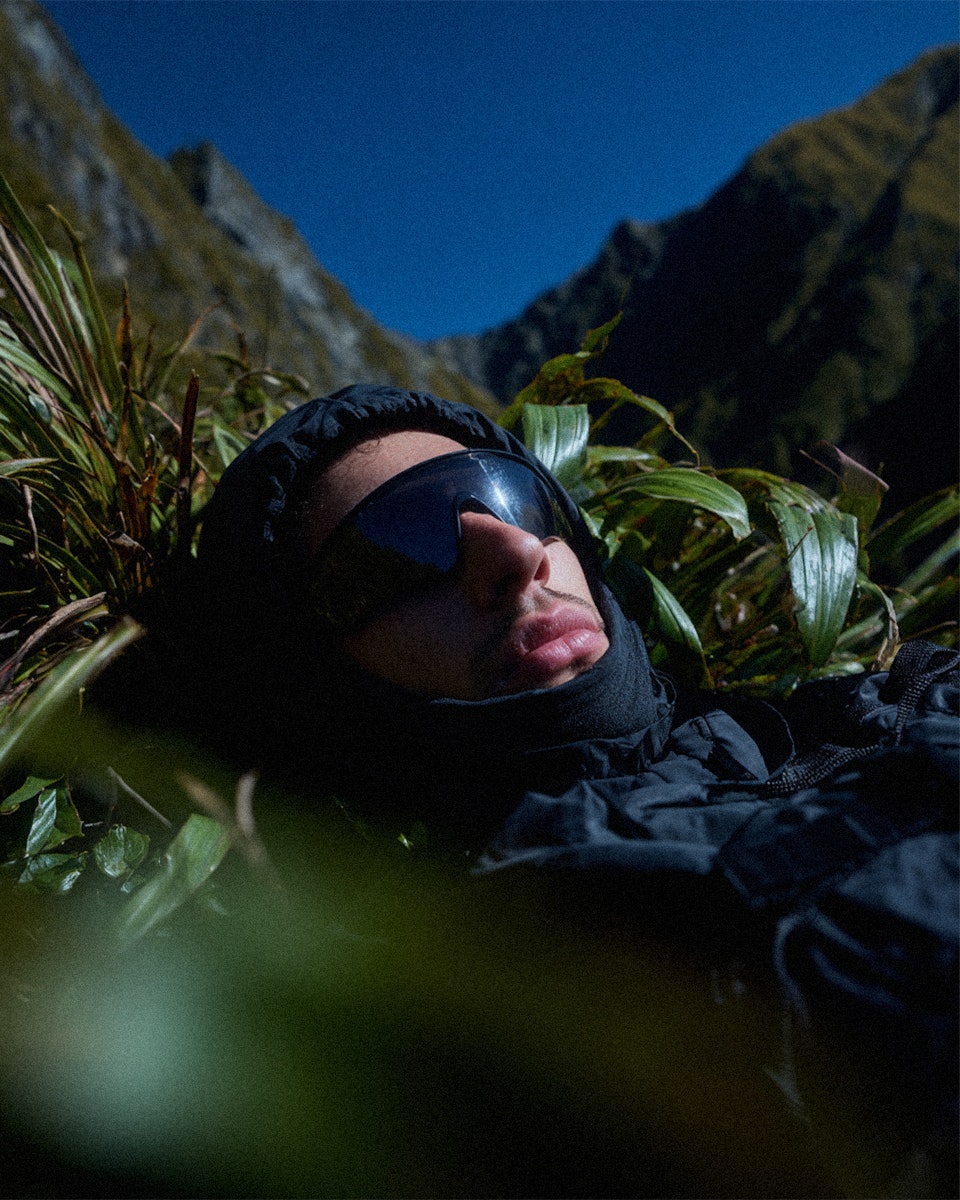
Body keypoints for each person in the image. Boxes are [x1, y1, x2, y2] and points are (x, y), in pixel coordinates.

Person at [194, 384, 958, 1197]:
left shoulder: (890, 697)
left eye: (514, 498)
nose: (515, 551)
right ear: (323, 685)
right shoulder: (480, 1029)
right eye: (401, 548)